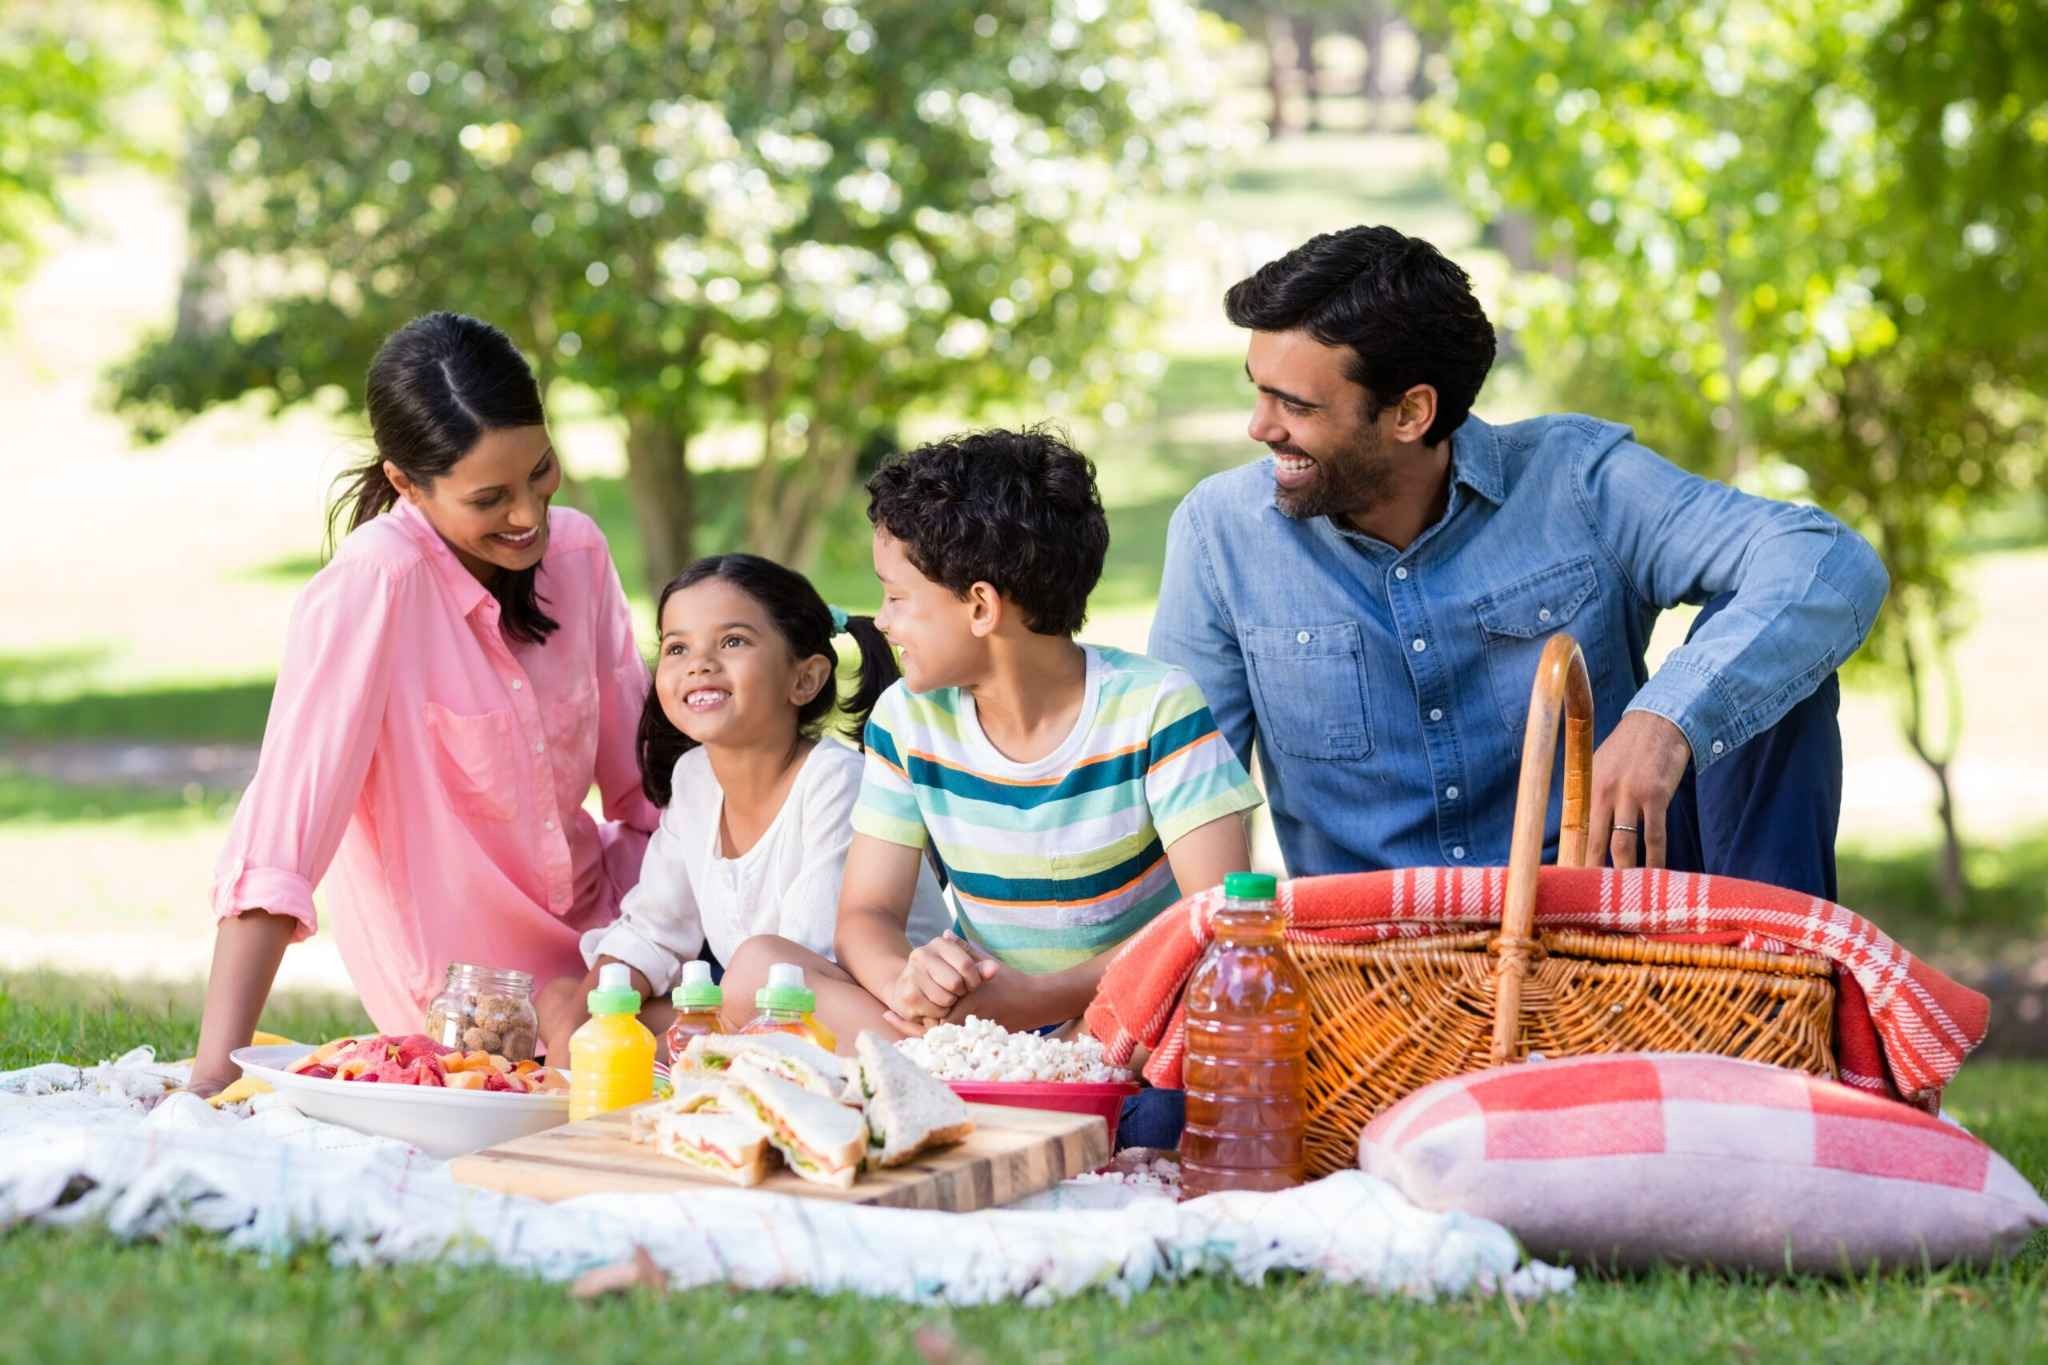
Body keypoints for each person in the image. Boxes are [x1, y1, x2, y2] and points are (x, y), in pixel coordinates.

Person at [1149, 225, 1888, 897]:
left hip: (1604, 918)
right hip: (1373, 965)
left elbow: (1827, 560)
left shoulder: (1577, 482)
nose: (1258, 426)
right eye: (1258, 391)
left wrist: (1668, 719)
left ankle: (1770, 1015)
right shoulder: (1221, 536)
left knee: (1770, 670)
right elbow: (1179, 797)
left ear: (1410, 413)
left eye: (1296, 406)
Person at [185, 312, 657, 1095]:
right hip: (468, 1004)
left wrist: (653, 941)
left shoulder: (578, 553)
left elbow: (645, 795)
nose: (529, 515)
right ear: (407, 482)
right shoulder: (377, 585)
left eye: (540, 470)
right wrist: (209, 1079)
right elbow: (280, 844)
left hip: (613, 944)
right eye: (490, 497)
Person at [720, 427, 1264, 1047]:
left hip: (1119, 1012)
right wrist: (906, 982)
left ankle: (1000, 1092)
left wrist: (1039, 1000)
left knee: (1199, 993)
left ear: (981, 607)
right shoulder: (907, 718)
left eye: (897, 596)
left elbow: (1218, 917)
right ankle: (975, 1084)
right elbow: (867, 917)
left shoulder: (1154, 707)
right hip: (979, 1029)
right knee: (757, 971)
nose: (884, 619)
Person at [533, 554, 949, 1059]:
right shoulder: (695, 780)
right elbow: (652, 929)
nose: (699, 663)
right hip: (756, 1009)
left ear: (806, 679)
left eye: (733, 641)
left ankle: (679, 1066)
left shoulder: (836, 781)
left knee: (754, 969)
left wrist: (619, 1050)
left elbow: (797, 968)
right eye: (677, 647)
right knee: (568, 1001)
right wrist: (576, 1034)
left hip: (875, 1023)